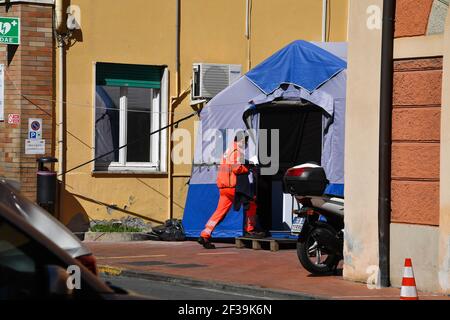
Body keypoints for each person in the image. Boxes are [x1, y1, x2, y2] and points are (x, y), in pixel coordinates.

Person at [198, 133, 261, 249]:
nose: (246, 144)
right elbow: (236, 167)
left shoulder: (228, 150)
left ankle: (205, 234)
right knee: (251, 202)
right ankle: (250, 230)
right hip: (232, 187)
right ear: (241, 141)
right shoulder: (237, 150)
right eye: (246, 142)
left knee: (219, 212)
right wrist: (248, 168)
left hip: (223, 187)